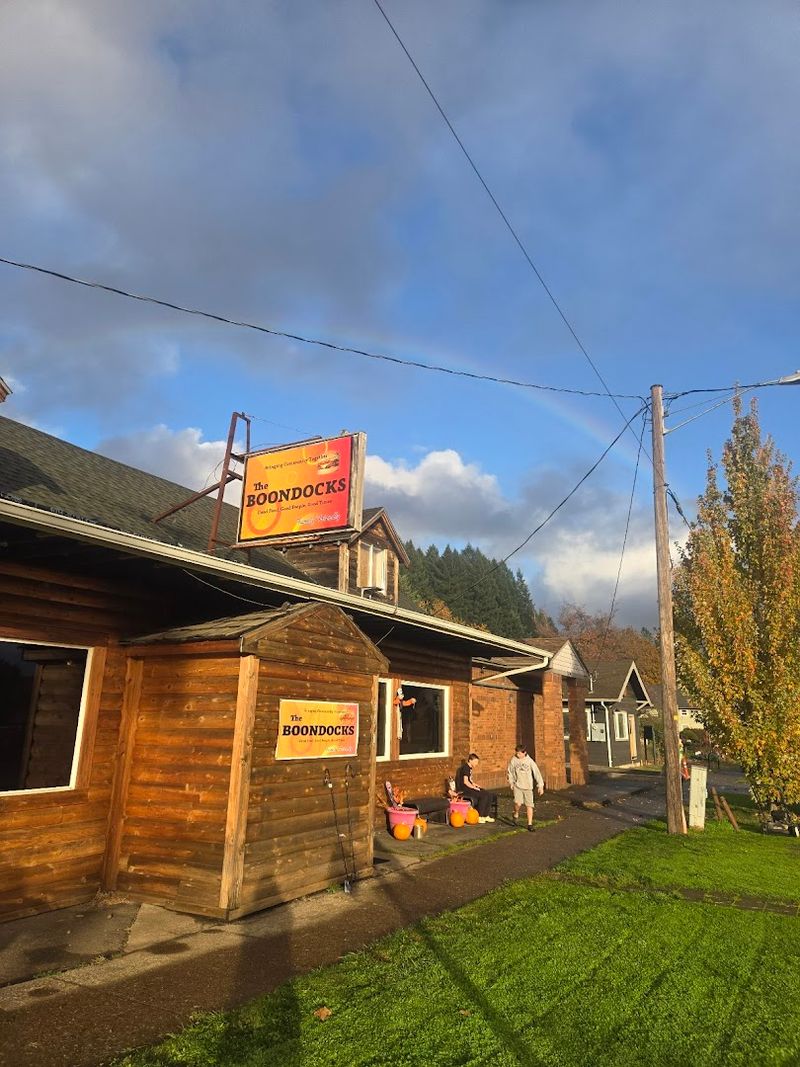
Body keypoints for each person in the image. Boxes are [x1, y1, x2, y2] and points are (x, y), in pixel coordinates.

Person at [506, 743, 544, 831]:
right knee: (518, 803)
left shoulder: (529, 761)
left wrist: (540, 786)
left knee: (529, 805)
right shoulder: (514, 760)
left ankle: (530, 824)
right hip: (518, 786)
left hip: (528, 787)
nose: (518, 755)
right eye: (517, 753)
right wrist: (511, 782)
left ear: (524, 753)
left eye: (519, 753)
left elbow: (537, 773)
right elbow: (510, 771)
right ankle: (516, 813)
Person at [455, 752, 496, 822]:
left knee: (488, 794)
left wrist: (474, 784)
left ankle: (486, 815)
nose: (477, 764)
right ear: (470, 760)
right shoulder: (465, 768)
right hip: (465, 790)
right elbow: (465, 782)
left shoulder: (469, 768)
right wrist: (474, 788)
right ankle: (480, 816)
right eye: (475, 762)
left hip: (469, 787)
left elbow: (469, 780)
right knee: (483, 796)